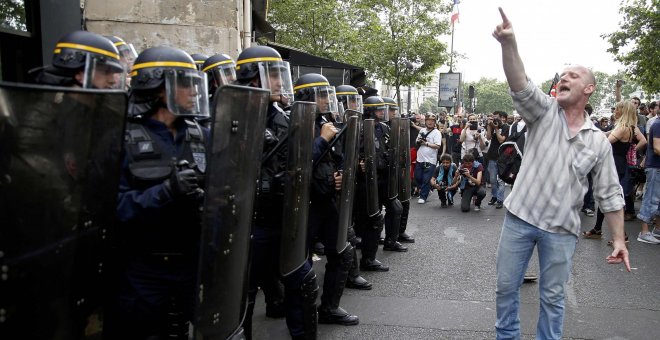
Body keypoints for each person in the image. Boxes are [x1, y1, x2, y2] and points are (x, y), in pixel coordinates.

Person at [492, 8, 630, 340]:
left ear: (589, 89)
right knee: (506, 290)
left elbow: (610, 194)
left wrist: (620, 239)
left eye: (573, 76)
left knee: (553, 299)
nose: (564, 78)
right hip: (519, 219)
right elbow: (520, 83)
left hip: (561, 231)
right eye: (562, 75)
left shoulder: (598, 140)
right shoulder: (543, 113)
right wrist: (509, 44)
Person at [110, 46, 210, 339]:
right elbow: (110, 209)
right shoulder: (122, 135)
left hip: (192, 263)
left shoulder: (199, 134)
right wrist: (165, 192)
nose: (194, 92)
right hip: (144, 270)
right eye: (185, 83)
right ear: (159, 87)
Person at [235, 46, 318, 340]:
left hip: (282, 217)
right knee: (240, 297)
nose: (279, 82)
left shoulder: (284, 118)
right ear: (253, 79)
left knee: (303, 282)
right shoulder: (232, 116)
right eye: (272, 75)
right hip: (247, 223)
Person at [294, 73, 359, 325]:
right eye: (321, 95)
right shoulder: (296, 122)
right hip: (305, 203)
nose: (326, 100)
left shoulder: (326, 122)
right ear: (308, 96)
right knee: (301, 262)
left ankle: (329, 308)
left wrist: (339, 176)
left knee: (342, 252)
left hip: (326, 199)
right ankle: (301, 316)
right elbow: (298, 163)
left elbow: (334, 160)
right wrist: (322, 139)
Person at [582, 100, 646, 242]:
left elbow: (605, 141)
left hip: (615, 165)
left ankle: (620, 236)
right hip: (619, 164)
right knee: (607, 197)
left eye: (617, 109)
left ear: (622, 111)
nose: (614, 111)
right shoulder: (628, 127)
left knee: (611, 199)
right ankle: (598, 229)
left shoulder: (622, 128)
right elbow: (603, 135)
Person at [637, 117, 660, 244]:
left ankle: (657, 229)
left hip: (657, 167)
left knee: (657, 200)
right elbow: (657, 147)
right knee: (651, 198)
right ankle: (644, 232)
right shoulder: (658, 124)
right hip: (655, 167)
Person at [414, 113, 443, 204]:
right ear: (425, 121)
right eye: (428, 120)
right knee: (417, 177)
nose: (430, 122)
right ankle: (428, 189)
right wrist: (419, 141)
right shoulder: (422, 130)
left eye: (432, 121)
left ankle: (423, 196)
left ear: (435, 122)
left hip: (430, 160)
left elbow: (438, 146)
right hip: (420, 158)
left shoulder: (437, 133)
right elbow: (417, 141)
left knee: (426, 179)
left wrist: (426, 143)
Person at [485, 111, 509, 208]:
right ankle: (494, 196)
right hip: (492, 156)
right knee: (492, 179)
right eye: (493, 118)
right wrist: (489, 126)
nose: (495, 120)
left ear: (502, 118)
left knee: (501, 180)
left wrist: (496, 129)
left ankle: (500, 199)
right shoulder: (492, 125)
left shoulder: (506, 127)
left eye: (497, 118)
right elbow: (488, 137)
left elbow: (501, 140)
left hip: (502, 157)